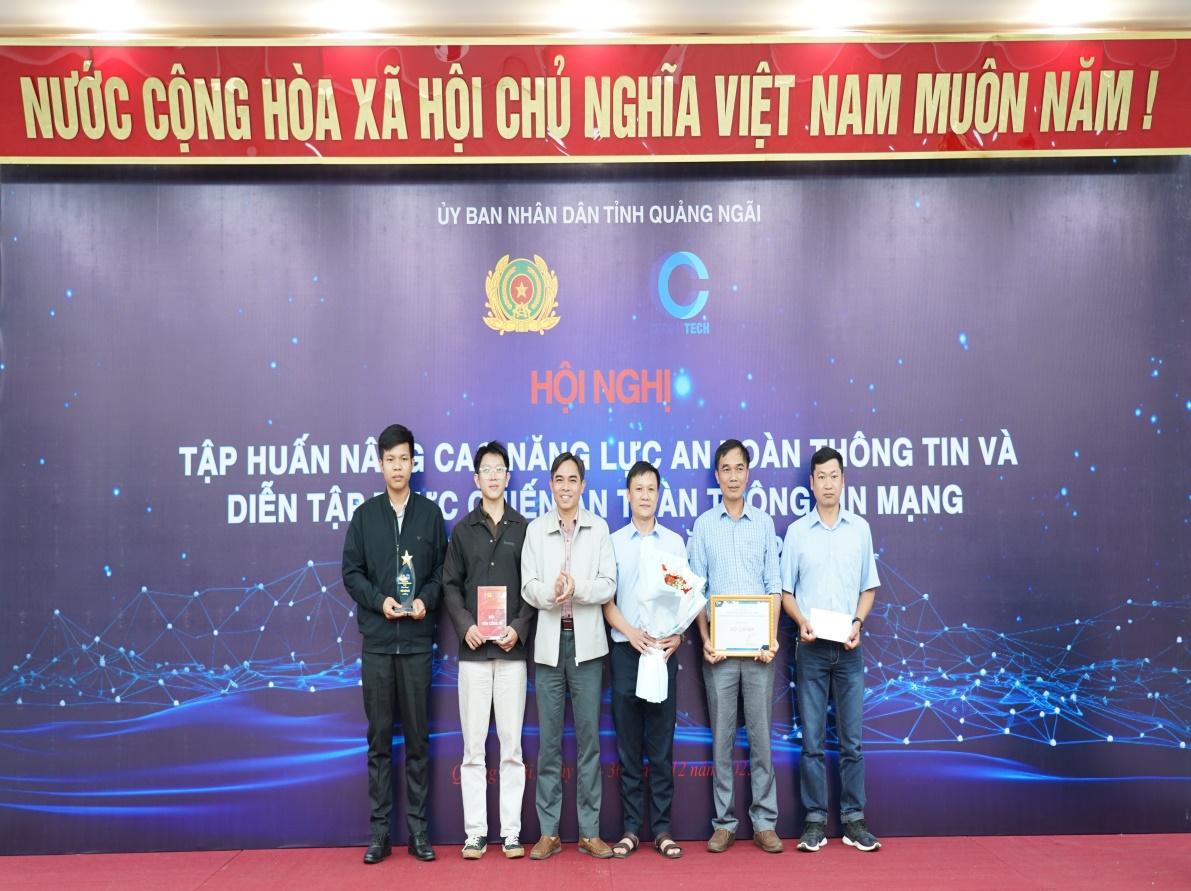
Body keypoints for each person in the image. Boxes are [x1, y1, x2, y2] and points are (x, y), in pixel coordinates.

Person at [342, 423, 447, 865]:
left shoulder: (430, 515)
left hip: (418, 646)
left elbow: (442, 572)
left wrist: (425, 599)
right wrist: (378, 600)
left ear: (413, 463)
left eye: (404, 458)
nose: (398, 466)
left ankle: (419, 832)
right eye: (390, 459)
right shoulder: (365, 516)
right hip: (379, 646)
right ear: (380, 464)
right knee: (379, 742)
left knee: (419, 742)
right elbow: (351, 573)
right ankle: (380, 834)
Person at [781, 446, 881, 853]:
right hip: (811, 648)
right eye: (820, 476)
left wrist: (858, 623)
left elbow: (868, 588)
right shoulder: (797, 532)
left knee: (852, 742)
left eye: (833, 476)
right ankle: (814, 821)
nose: (827, 483)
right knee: (812, 742)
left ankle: (854, 820)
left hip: (849, 648)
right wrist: (800, 621)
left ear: (843, 480)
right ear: (811, 482)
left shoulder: (860, 530)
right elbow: (785, 592)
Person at [521, 452, 617, 860]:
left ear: (582, 485)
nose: (565, 486)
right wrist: (552, 593)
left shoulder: (599, 528)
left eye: (572, 479)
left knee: (589, 742)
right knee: (549, 744)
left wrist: (578, 588)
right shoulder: (535, 530)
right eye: (558, 479)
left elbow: (609, 584)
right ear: (550, 485)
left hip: (587, 646)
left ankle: (589, 832)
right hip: (549, 644)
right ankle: (549, 832)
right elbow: (528, 586)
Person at [689, 439, 783, 855]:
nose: (732, 476)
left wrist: (772, 636)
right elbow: (695, 591)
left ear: (748, 473)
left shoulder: (763, 524)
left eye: (739, 468)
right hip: (721, 653)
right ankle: (724, 824)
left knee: (761, 741)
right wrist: (706, 640)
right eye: (725, 469)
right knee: (722, 741)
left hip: (760, 652)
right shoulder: (704, 526)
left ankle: (764, 822)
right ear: (717, 475)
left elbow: (774, 586)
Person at [442, 441, 535, 860]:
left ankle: (511, 833)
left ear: (508, 477)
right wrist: (467, 626)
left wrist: (519, 627)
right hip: (475, 655)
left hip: (512, 654)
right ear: (476, 479)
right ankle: (476, 833)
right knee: (473, 749)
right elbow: (450, 586)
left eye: (500, 469)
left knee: (512, 747)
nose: (494, 476)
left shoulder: (524, 529)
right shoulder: (462, 531)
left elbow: (532, 587)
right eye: (487, 470)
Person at [605, 461, 691, 860]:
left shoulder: (674, 543)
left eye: (651, 489)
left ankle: (662, 830)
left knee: (660, 747)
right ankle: (629, 830)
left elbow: (686, 599)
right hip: (627, 651)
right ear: (628, 494)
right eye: (638, 489)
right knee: (628, 748)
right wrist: (630, 631)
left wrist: (680, 634)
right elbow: (606, 602)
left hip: (662, 653)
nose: (644, 495)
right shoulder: (613, 542)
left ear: (659, 494)